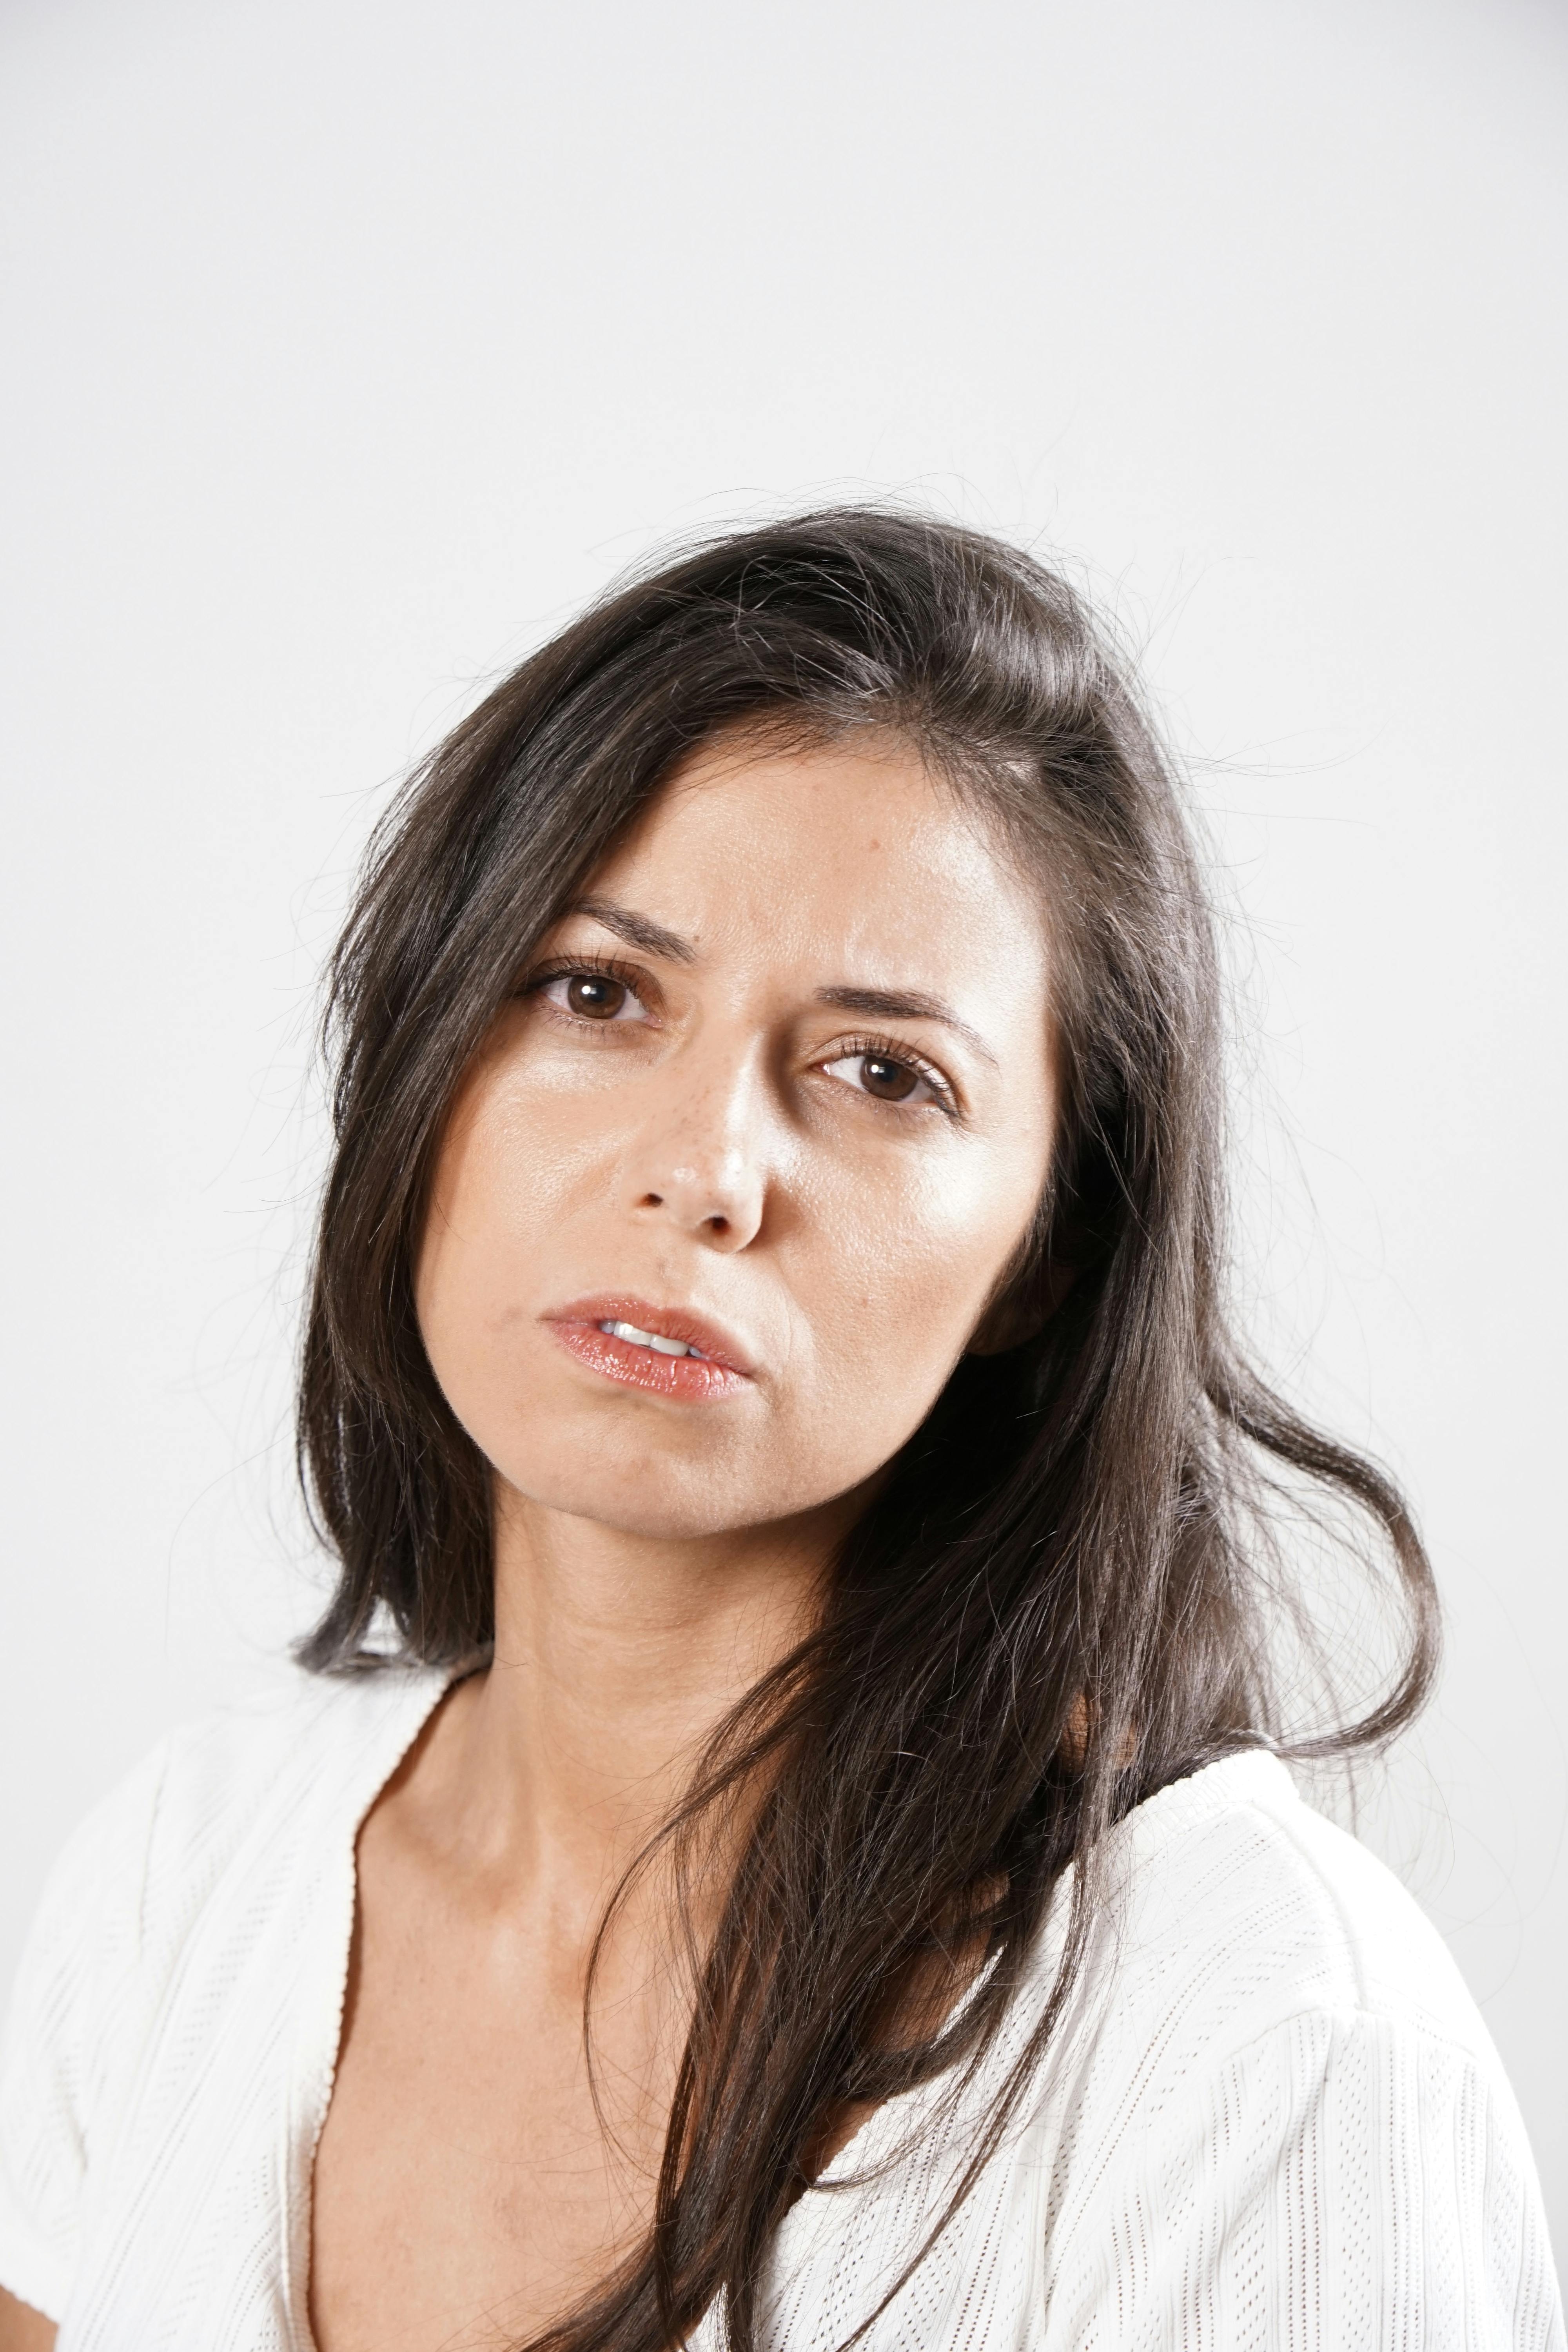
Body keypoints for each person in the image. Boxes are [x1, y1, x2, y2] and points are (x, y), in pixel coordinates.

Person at [0, 510, 1559, 2352]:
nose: (704, 1173)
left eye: (885, 1075)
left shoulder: (1262, 2037)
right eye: (596, 993)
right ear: (427, 1059)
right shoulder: (184, 1880)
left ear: (1048, 1251)